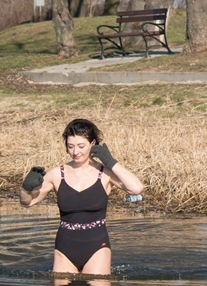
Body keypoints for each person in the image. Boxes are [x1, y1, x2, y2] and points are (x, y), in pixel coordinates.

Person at [19, 118, 144, 275]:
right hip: (64, 248)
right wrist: (25, 188)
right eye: (70, 146)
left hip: (97, 247)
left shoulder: (105, 173)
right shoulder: (57, 174)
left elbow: (136, 188)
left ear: (93, 144)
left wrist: (111, 162)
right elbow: (27, 202)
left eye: (81, 146)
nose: (75, 152)